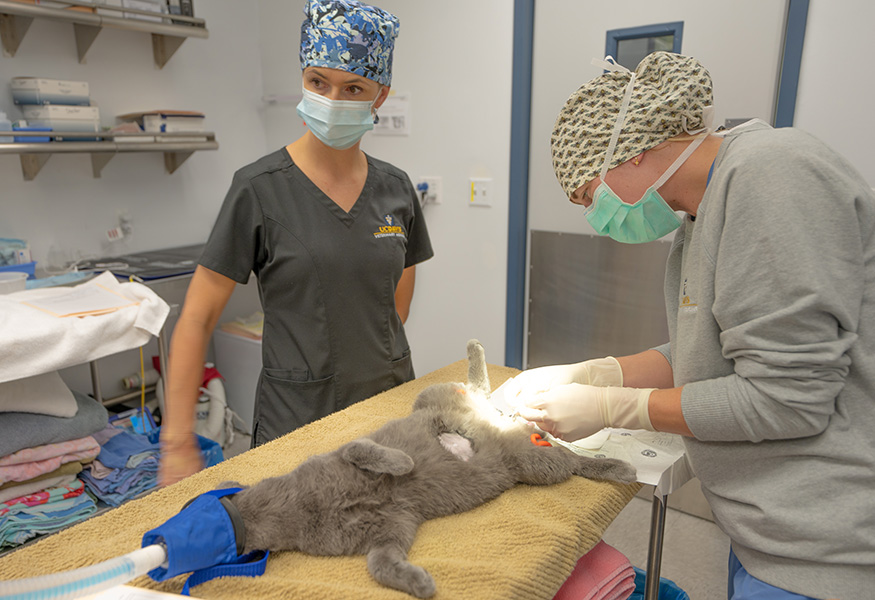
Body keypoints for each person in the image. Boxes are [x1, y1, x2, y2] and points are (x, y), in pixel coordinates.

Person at [503, 51, 874, 600]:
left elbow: (785, 397)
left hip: (825, 545)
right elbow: (712, 352)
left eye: (589, 196)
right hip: (766, 530)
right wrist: (593, 373)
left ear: (633, 154)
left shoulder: (772, 176)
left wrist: (611, 409)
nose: (594, 217)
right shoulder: (701, 216)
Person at [159, 0, 433, 487]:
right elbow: (196, 318)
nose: (332, 98)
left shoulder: (396, 189)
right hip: (297, 423)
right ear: (303, 80)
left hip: (387, 415)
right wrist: (179, 441)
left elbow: (395, 309)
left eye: (353, 88)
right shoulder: (259, 189)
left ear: (380, 95)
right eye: (317, 82)